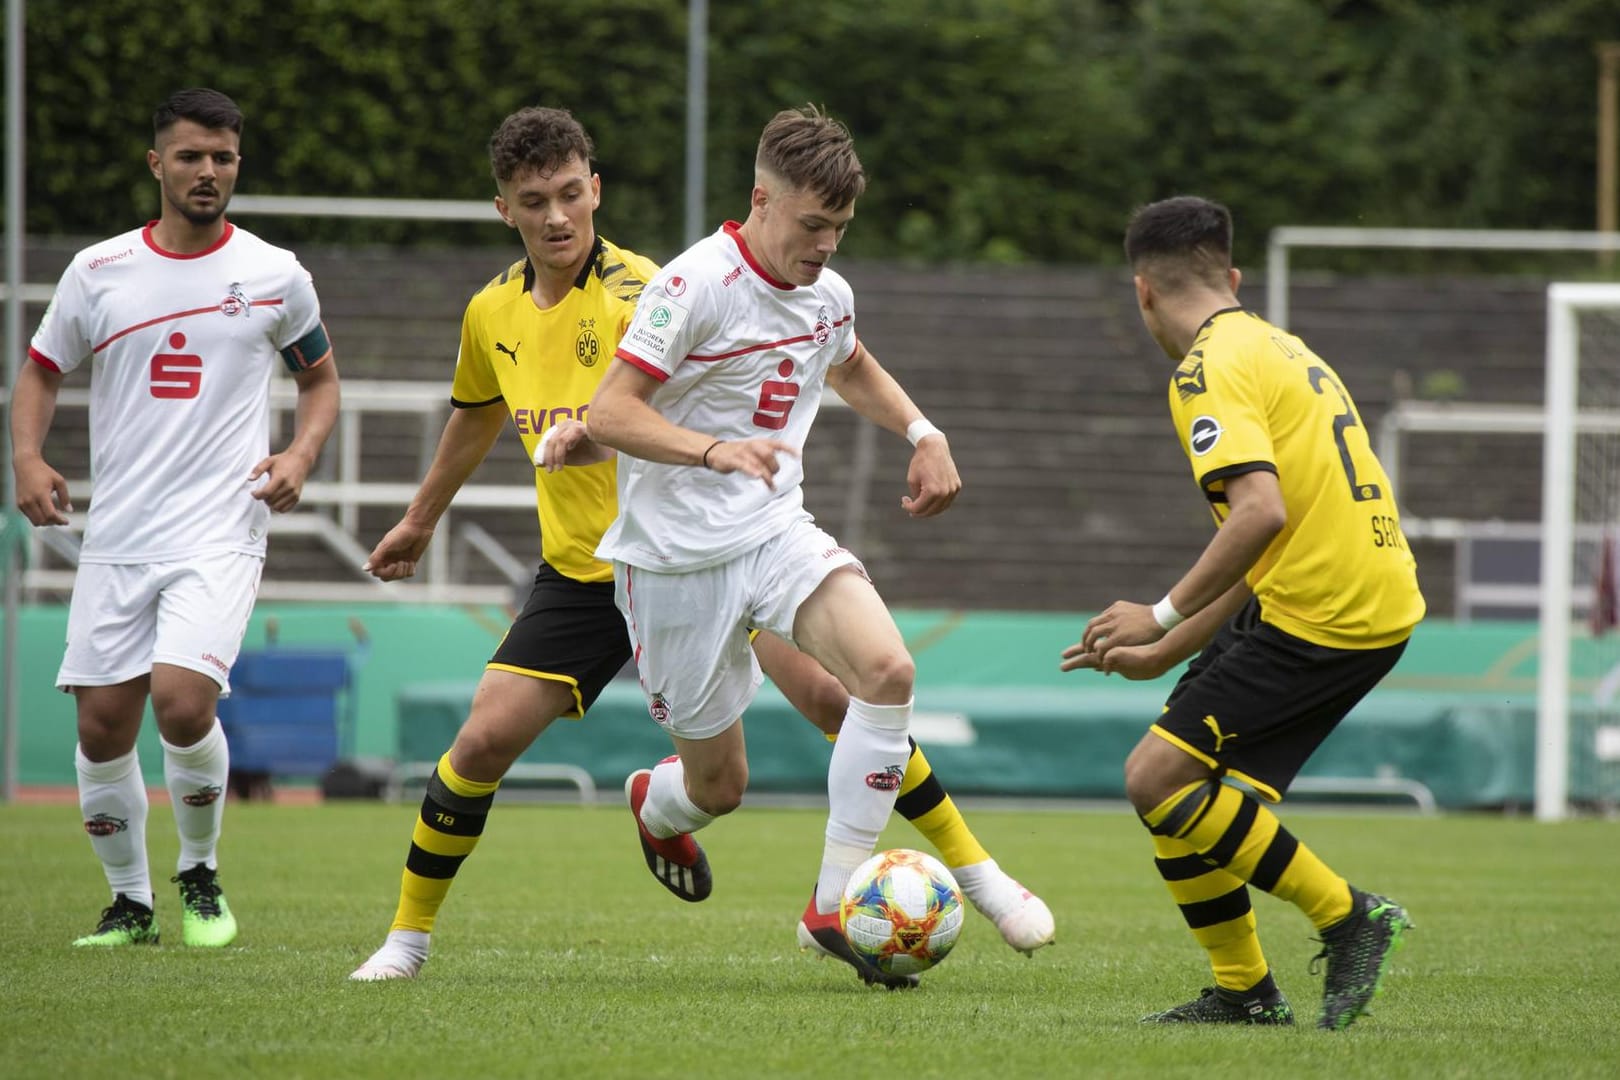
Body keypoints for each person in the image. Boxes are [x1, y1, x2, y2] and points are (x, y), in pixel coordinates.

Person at [349, 106, 1052, 982]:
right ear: (506, 209)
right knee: (544, 754)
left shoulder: (655, 286)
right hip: (614, 567)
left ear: (596, 190)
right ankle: (409, 939)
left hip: (749, 536)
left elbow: (813, 361)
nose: (559, 216)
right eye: (537, 201)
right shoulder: (497, 310)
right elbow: (482, 417)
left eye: (573, 193)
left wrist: (919, 430)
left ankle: (932, 885)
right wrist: (421, 518)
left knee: (863, 688)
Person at [585, 104, 1009, 991]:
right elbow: (609, 413)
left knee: (886, 673)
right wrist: (713, 449)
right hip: (672, 561)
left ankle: (830, 905)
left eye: (840, 229)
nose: (825, 245)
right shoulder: (692, 286)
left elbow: (847, 361)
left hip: (775, 530)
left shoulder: (830, 293)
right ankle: (653, 802)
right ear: (761, 201)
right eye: (813, 225)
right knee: (717, 787)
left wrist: (922, 431)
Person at [1061, 195, 1423, 1029]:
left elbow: (1261, 514)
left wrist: (1157, 614)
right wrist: (1166, 648)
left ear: (1142, 292)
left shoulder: (1204, 371)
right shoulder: (1276, 346)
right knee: (1187, 794)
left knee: (1155, 777)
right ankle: (1245, 993)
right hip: (1348, 595)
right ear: (1231, 276)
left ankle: (1349, 916)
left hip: (1323, 610)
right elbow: (1266, 541)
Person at [11, 88, 340, 948]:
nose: (207, 172)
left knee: (183, 702)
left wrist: (301, 455)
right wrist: (28, 458)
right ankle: (132, 902)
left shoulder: (275, 274)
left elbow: (320, 380)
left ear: (238, 164)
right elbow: (42, 370)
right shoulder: (98, 270)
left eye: (222, 157)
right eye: (190, 156)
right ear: (157, 163)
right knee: (101, 725)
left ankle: (199, 874)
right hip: (118, 532)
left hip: (221, 529)